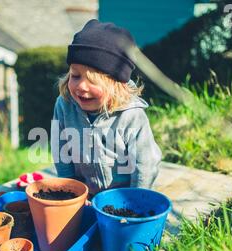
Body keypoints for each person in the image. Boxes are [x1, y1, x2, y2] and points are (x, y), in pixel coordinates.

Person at [51, 19, 162, 197]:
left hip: (125, 198)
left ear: (116, 85)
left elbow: (145, 163)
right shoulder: (64, 105)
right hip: (86, 195)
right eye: (75, 75)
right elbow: (61, 152)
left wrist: (137, 200)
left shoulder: (131, 115)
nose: (81, 86)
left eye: (93, 81)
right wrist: (71, 191)